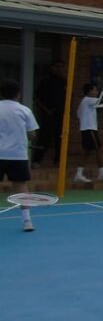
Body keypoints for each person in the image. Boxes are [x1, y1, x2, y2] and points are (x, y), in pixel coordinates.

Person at [0, 79, 40, 232]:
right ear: (18, 94)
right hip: (18, 155)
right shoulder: (25, 110)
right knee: (21, 186)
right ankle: (27, 221)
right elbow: (32, 134)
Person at [73, 82, 103, 183]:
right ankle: (102, 173)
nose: (97, 92)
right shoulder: (89, 100)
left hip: (88, 129)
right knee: (99, 149)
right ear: (89, 91)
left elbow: (78, 115)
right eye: (95, 90)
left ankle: (79, 174)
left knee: (87, 152)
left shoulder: (84, 103)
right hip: (89, 129)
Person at [32, 60, 66, 166]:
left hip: (61, 115)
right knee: (44, 138)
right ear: (51, 68)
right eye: (56, 67)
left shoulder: (64, 82)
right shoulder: (45, 82)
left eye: (61, 67)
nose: (59, 69)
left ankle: (58, 161)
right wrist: (46, 110)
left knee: (60, 139)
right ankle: (37, 160)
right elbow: (37, 98)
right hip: (48, 115)